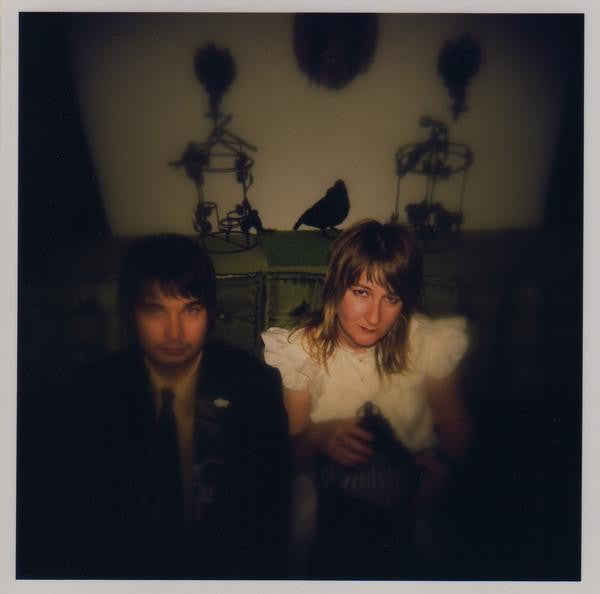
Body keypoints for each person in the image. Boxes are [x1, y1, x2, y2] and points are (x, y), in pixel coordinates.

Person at [20, 234, 291, 579]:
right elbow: (75, 524)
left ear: (210, 312)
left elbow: (269, 520)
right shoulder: (90, 395)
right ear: (130, 314)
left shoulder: (256, 387)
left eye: (190, 309)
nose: (174, 332)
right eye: (155, 310)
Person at [262, 219, 472, 578]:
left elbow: (455, 424)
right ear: (336, 287)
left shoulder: (427, 343)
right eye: (361, 292)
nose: (374, 317)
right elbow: (289, 458)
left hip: (412, 486)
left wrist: (444, 468)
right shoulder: (301, 351)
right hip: (327, 493)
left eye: (391, 298)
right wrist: (318, 436)